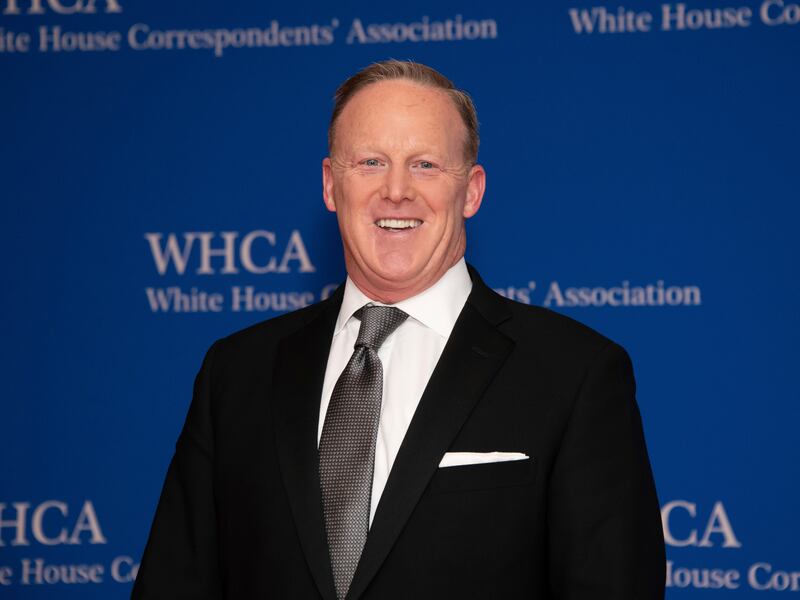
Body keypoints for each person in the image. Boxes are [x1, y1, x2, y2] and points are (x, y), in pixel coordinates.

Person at [132, 60, 665, 599]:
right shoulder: (236, 372)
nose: (396, 190)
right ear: (330, 184)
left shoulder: (574, 374)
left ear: (473, 190)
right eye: (370, 162)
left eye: (426, 164)